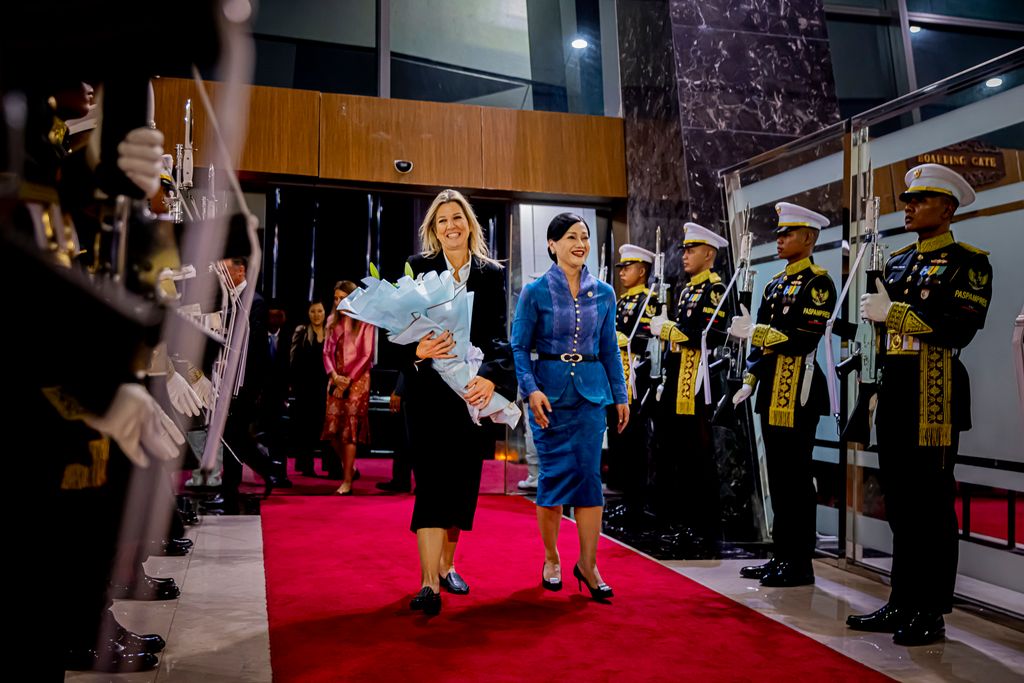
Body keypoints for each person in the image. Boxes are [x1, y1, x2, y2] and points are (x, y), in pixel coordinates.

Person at [847, 164, 992, 646]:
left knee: (931, 505)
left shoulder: (969, 263)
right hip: (895, 390)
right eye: (907, 199)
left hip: (935, 392)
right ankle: (902, 599)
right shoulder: (897, 262)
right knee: (901, 504)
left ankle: (931, 609)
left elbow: (959, 328)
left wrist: (896, 313)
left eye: (920, 200)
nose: (907, 207)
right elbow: (880, 333)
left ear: (947, 208)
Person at [403, 189, 514, 615]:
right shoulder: (418, 267)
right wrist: (417, 351)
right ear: (434, 228)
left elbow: (499, 336)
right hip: (428, 394)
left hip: (471, 394)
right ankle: (428, 583)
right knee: (432, 483)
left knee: (462, 484)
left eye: (457, 217)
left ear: (469, 224)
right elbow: (396, 328)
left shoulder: (490, 273)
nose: (451, 226)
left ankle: (448, 566)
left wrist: (491, 378)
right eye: (442, 220)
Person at [511, 212, 629, 600]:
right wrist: (530, 390)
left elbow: (610, 349)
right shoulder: (535, 292)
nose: (580, 244)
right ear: (552, 244)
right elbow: (518, 347)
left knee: (589, 478)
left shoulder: (605, 293)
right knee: (553, 479)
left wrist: (620, 395)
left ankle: (588, 565)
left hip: (591, 398)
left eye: (584, 237)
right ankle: (551, 558)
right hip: (548, 398)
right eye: (571, 237)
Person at [729, 203, 835, 587]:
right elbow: (761, 346)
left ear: (808, 238)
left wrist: (755, 332)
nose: (779, 239)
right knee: (777, 478)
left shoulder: (818, 284)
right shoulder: (775, 284)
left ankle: (800, 561)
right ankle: (781, 555)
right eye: (779, 233)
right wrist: (750, 379)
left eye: (787, 233)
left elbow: (803, 337)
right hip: (772, 389)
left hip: (800, 389)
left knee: (797, 479)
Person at [648, 223, 729, 547]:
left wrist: (669, 330)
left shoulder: (715, 289)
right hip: (679, 379)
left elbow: (708, 335)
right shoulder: (687, 290)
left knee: (699, 456)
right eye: (684, 249)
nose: (684, 255)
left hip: (700, 383)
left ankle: (705, 529)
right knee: (679, 455)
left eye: (691, 250)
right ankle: (684, 523)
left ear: (708, 254)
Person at [606, 244, 658, 514]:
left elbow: (647, 338)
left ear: (642, 271)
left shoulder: (649, 301)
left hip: (637, 379)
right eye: (622, 267)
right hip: (617, 379)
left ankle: (637, 503)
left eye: (628, 267)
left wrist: (623, 339)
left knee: (635, 441)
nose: (622, 272)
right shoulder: (621, 301)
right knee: (619, 441)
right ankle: (625, 499)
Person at [322, 281, 375, 495]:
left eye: (342, 298)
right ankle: (349, 467)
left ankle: (347, 481)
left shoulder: (365, 321)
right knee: (333, 430)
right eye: (335, 298)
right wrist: (335, 377)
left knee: (349, 431)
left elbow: (366, 355)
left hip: (357, 380)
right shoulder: (331, 321)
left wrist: (348, 380)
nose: (338, 302)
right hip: (336, 378)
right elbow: (326, 352)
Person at [290, 300, 328, 476]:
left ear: (325, 312)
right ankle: (305, 465)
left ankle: (330, 465)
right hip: (305, 387)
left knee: (325, 426)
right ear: (308, 313)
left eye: (320, 311)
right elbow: (293, 359)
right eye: (313, 311)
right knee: (305, 427)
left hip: (325, 387)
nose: (316, 315)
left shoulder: (330, 332)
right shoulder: (302, 332)